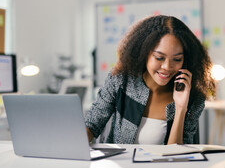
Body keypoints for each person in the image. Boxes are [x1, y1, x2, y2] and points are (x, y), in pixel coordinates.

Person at [85, 15, 216, 145]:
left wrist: (181, 108)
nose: (167, 67)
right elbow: (92, 124)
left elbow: (177, 156)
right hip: (118, 165)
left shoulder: (193, 98)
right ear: (144, 52)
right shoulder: (120, 80)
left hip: (163, 166)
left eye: (177, 59)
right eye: (159, 57)